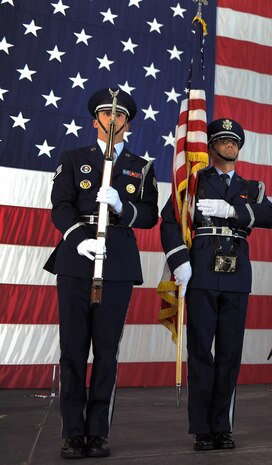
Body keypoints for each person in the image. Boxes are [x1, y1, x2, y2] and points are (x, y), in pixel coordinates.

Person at [44, 88, 159, 459]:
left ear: (128, 122)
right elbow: (60, 205)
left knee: (106, 353)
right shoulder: (74, 158)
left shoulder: (141, 167)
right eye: (106, 115)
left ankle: (97, 433)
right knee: (73, 351)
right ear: (96, 120)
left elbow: (150, 216)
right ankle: (72, 433)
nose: (113, 121)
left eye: (120, 115)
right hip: (78, 258)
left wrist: (122, 206)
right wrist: (77, 238)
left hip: (118, 259)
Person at [160, 118, 272, 451]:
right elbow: (169, 221)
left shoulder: (251, 186)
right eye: (223, 140)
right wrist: (178, 261)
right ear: (210, 145)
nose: (230, 145)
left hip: (237, 272)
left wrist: (232, 209)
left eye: (234, 141)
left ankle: (222, 425)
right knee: (200, 352)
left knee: (229, 353)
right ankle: (202, 428)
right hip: (200, 267)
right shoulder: (193, 181)